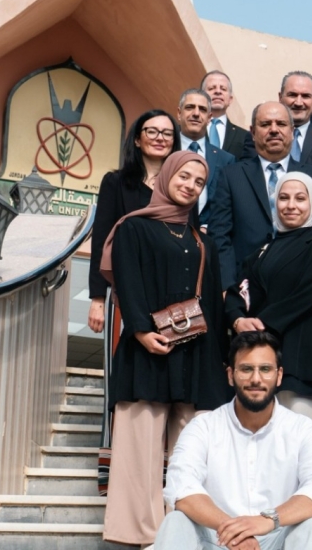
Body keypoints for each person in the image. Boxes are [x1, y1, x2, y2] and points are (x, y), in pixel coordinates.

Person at [99, 150, 231, 546]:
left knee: (192, 456)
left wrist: (221, 358)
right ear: (166, 176)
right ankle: (141, 535)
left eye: (199, 182)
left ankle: (184, 534)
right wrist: (141, 331)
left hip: (196, 356)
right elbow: (127, 283)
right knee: (138, 452)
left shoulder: (202, 240)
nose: (190, 185)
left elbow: (213, 303)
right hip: (147, 353)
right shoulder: (132, 228)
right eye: (184, 176)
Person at [156, 330, 312, 550]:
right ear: (231, 375)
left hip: (277, 539)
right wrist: (236, 531)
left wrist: (267, 520)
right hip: (219, 539)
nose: (256, 379)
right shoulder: (203, 427)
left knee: (311, 527)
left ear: (279, 375)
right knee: (176, 521)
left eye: (265, 369)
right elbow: (181, 486)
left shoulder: (303, 430)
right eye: (246, 369)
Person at [87, 108, 182, 496]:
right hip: (123, 294)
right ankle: (114, 471)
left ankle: (159, 470)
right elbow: (101, 239)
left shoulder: (181, 184)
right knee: (122, 380)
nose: (159, 138)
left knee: (162, 381)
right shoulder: (117, 182)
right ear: (138, 139)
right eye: (151, 131)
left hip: (167, 297)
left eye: (167, 133)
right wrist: (97, 297)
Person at [225, 172, 312, 429]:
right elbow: (238, 292)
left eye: (300, 198)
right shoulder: (260, 253)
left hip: (303, 364)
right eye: (284, 198)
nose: (291, 205)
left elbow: (307, 297)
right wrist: (238, 321)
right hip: (261, 363)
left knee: (299, 446)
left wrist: (259, 325)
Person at [207, 101, 312, 289]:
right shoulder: (231, 176)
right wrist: (227, 288)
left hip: (298, 286)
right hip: (243, 287)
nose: (273, 130)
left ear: (292, 131)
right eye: (265, 124)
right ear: (253, 132)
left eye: (281, 124)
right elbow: (220, 236)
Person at [242, 71, 312, 170]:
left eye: (305, 96)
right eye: (292, 95)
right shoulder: (258, 135)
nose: (298, 103)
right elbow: (248, 174)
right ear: (280, 97)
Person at [176, 88, 235, 226]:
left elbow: (227, 206)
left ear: (209, 118)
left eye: (202, 109)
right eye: (190, 107)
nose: (196, 114)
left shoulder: (225, 160)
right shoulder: (166, 151)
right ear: (179, 113)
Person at [201, 70, 251, 160]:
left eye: (223, 89)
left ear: (230, 99)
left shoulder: (244, 137)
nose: (218, 91)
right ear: (201, 96)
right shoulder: (187, 130)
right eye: (211, 88)